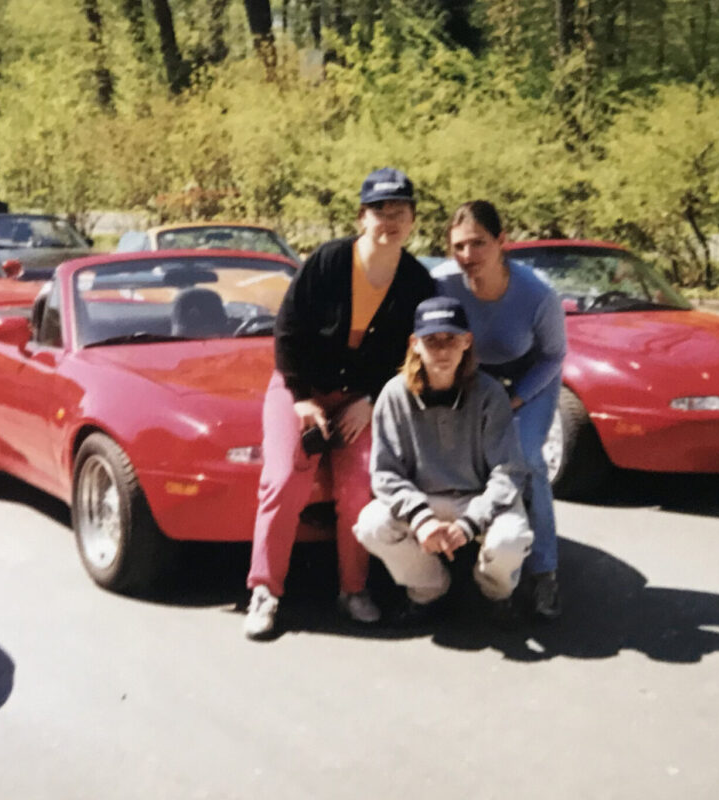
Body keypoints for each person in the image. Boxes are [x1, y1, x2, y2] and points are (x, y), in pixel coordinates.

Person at [243, 167, 437, 640]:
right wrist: (302, 399)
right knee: (285, 478)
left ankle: (353, 590)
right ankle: (265, 590)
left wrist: (370, 400)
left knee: (361, 485)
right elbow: (287, 330)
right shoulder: (329, 261)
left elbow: (415, 357)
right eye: (380, 211)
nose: (390, 221)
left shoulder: (417, 282)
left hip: (363, 400)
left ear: (413, 220)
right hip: (300, 389)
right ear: (361, 217)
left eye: (400, 212)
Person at [355, 296, 534, 622]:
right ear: (414, 343)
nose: (442, 350)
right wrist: (421, 518)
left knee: (510, 539)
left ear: (467, 341)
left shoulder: (490, 393)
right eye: (431, 340)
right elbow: (385, 473)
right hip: (424, 498)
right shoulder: (394, 395)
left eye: (451, 339)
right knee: (371, 525)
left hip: (478, 498)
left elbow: (508, 471)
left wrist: (469, 523)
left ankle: (495, 592)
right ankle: (429, 588)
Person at [436, 200, 567, 620]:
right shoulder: (442, 283)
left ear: (501, 241)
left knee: (526, 457)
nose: (468, 255)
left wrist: (517, 398)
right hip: (475, 379)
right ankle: (462, 553)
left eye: (478, 243)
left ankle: (544, 571)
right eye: (459, 246)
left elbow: (553, 356)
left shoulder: (536, 293)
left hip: (530, 379)